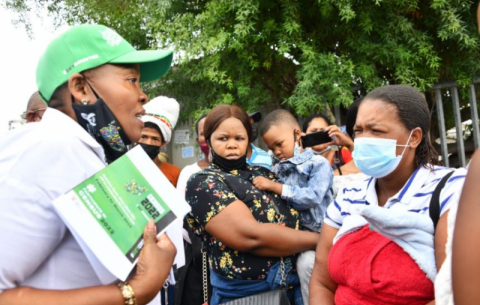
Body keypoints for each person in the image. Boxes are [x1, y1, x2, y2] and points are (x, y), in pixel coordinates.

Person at [0, 24, 177, 305]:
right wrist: (135, 291)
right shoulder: (49, 145)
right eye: (131, 80)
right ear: (81, 87)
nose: (143, 96)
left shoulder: (89, 153)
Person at [309, 84, 467, 305]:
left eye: (376, 131)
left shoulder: (450, 189)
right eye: (358, 131)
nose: (363, 140)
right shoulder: (349, 194)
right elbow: (321, 282)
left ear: (414, 137)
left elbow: (454, 291)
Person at [186, 105, 319, 305]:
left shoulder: (266, 175)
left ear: (248, 140)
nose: (232, 145)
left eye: (239, 138)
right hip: (245, 296)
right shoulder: (203, 182)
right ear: (209, 140)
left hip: (296, 289)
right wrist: (320, 239)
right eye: (223, 138)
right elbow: (251, 236)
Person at [254, 109, 333, 305]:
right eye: (272, 148)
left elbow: (313, 196)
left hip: (321, 236)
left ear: (297, 134)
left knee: (307, 265)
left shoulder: (318, 164)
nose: (277, 151)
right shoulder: (277, 169)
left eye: (279, 144)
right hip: (292, 240)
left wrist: (276, 187)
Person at [174, 114, 212, 305]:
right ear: (198, 140)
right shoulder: (188, 173)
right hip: (197, 258)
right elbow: (180, 218)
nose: (210, 138)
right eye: (204, 133)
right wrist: (203, 244)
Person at [140, 96, 181, 187]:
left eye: (155, 139)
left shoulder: (174, 173)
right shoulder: (124, 167)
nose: (148, 142)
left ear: (163, 143)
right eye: (143, 137)